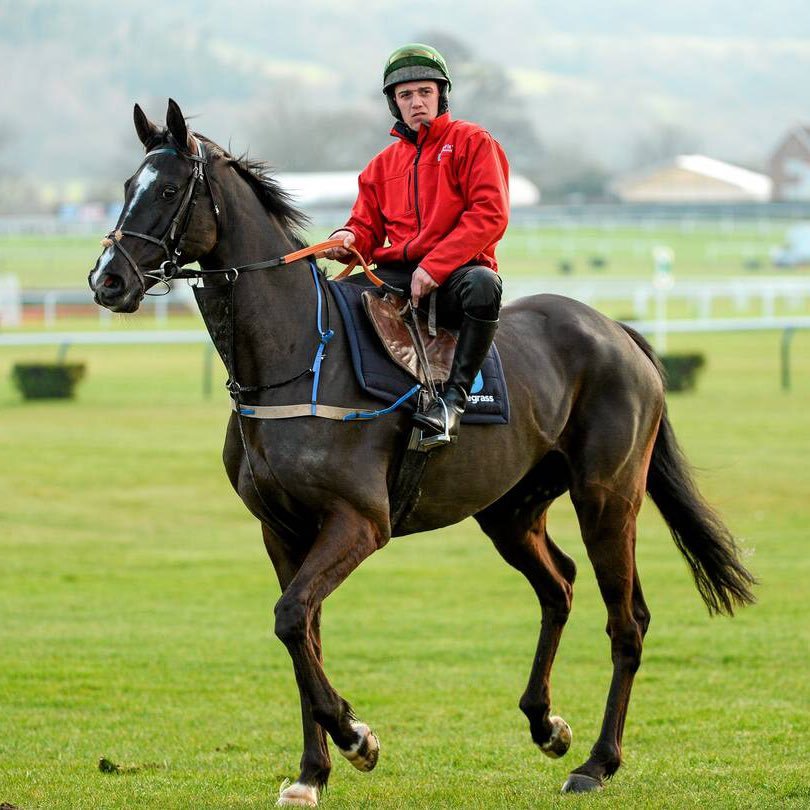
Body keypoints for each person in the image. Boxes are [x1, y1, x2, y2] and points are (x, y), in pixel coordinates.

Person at [326, 43, 509, 445]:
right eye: (405, 95)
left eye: (424, 92)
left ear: (440, 95)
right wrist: (347, 238)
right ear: (394, 104)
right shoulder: (380, 165)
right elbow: (366, 228)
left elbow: (490, 214)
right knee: (335, 297)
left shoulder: (473, 141)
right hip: (398, 274)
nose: (416, 101)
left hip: (458, 272)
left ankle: (453, 402)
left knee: (484, 286)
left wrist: (435, 266)